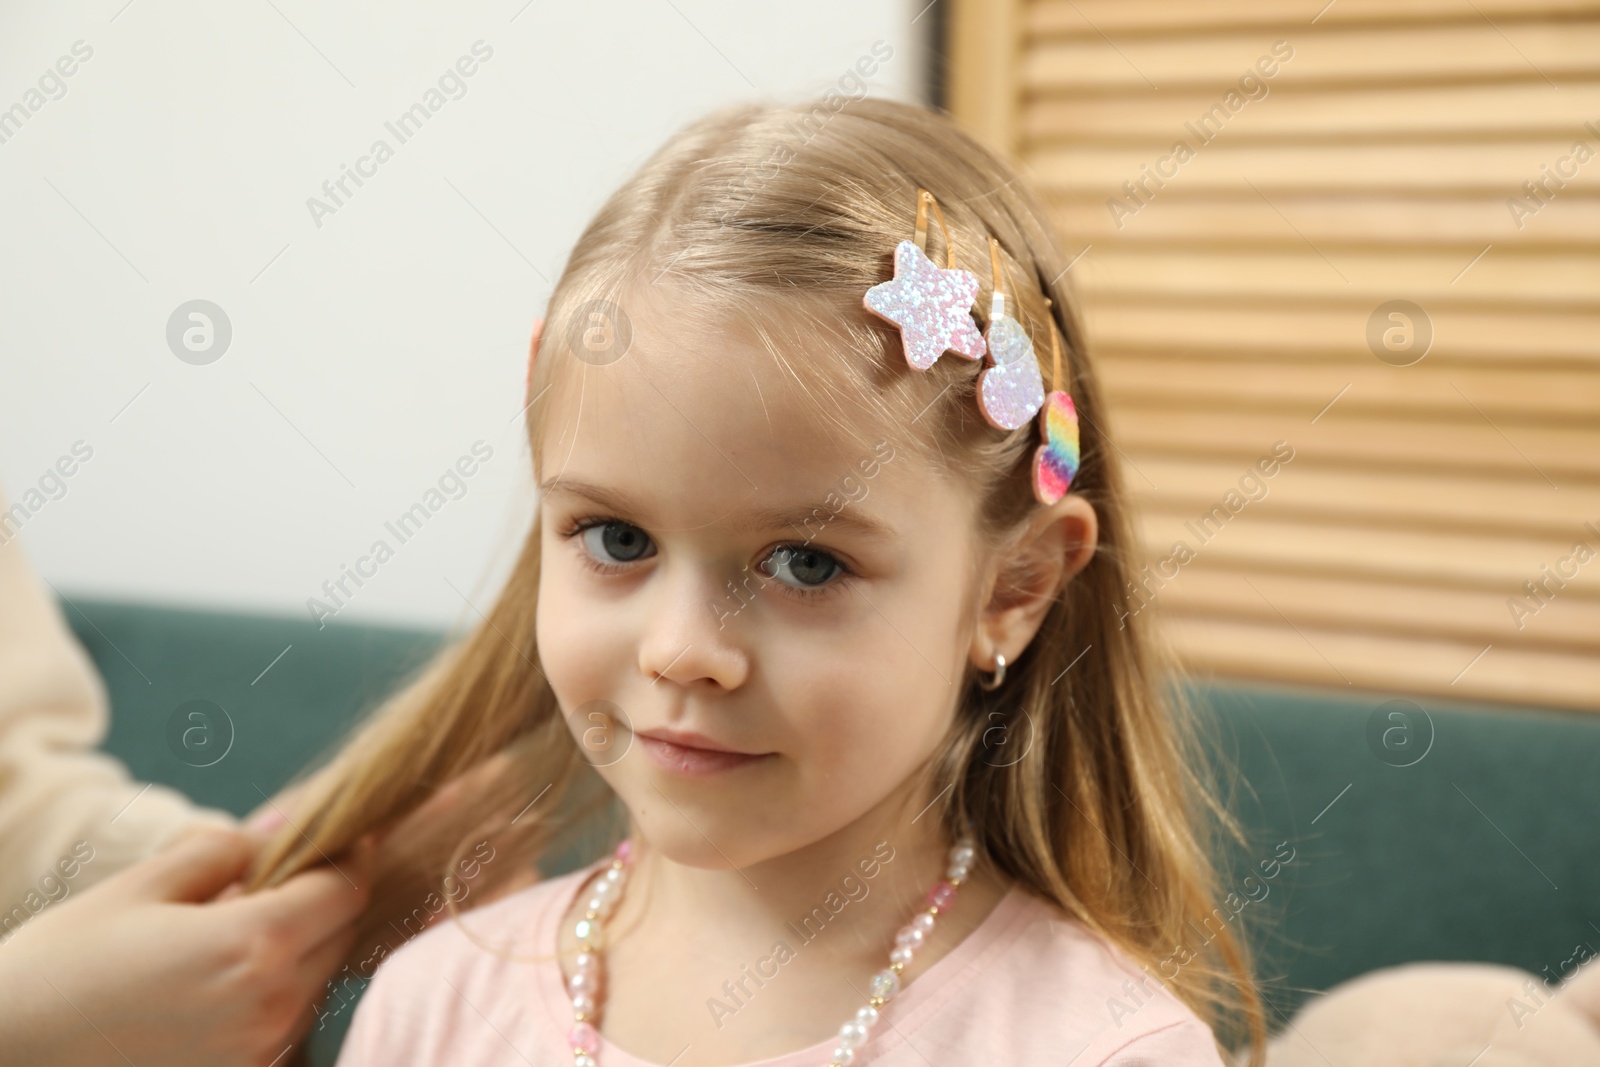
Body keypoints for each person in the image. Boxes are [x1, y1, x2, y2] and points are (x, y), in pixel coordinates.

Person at [244, 96, 1266, 1066]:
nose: (682, 646)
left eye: (805, 563)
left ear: (1014, 587)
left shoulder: (1101, 1047)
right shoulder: (433, 1005)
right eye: (614, 537)